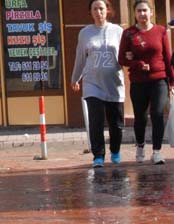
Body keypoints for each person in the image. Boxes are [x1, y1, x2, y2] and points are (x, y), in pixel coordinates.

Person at [118, 0, 174, 165]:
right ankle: (140, 146)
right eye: (139, 11)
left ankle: (157, 151)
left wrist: (173, 81)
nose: (142, 14)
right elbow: (121, 58)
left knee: (157, 114)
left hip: (159, 79)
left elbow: (168, 57)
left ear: (151, 12)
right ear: (135, 13)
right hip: (138, 81)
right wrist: (136, 63)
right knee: (140, 117)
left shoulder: (161, 31)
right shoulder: (129, 33)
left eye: (145, 10)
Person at [72, 0, 125, 168]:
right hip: (92, 83)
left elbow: (124, 56)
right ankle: (98, 156)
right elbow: (80, 57)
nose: (98, 12)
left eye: (101, 8)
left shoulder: (118, 31)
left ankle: (115, 150)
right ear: (91, 12)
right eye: (94, 8)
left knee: (116, 123)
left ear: (107, 10)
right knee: (96, 120)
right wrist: (75, 78)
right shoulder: (85, 33)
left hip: (114, 83)